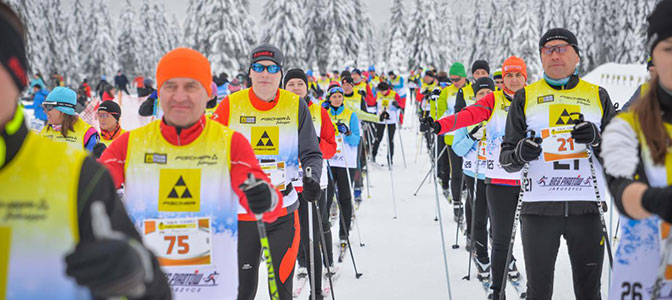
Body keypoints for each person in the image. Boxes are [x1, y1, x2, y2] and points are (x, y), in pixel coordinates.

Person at [0, 4, 170, 298]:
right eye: (43, 108)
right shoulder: (46, 132)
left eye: (50, 109)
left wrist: (135, 277)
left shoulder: (82, 174)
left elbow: (152, 288)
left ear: (15, 76)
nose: (46, 113)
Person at [100, 47, 283, 300]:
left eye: (191, 86)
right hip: (146, 288)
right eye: (170, 86)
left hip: (211, 288)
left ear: (208, 93)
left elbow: (270, 206)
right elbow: (90, 198)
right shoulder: (129, 145)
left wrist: (264, 197)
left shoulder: (230, 144)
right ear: (159, 92)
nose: (179, 96)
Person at [499, 29, 616, 300]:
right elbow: (506, 160)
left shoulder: (598, 95)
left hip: (587, 208)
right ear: (540, 57)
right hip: (539, 209)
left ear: (576, 55)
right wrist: (520, 153)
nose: (554, 54)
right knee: (539, 293)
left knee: (589, 292)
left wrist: (597, 140)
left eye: (561, 48)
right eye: (547, 49)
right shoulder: (525, 97)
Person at [212, 44, 324, 300]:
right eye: (258, 67)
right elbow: (209, 152)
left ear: (280, 74)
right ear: (249, 73)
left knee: (281, 291)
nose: (265, 73)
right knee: (242, 292)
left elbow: (311, 153)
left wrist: (311, 178)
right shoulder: (231, 105)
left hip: (283, 213)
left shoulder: (295, 106)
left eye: (272, 68)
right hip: (241, 216)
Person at [421, 56, 529, 299]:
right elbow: (463, 121)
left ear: (525, 77)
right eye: (508, 75)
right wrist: (441, 126)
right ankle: (485, 262)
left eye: (517, 75)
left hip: (522, 177)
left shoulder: (530, 100)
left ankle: (513, 265)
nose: (512, 80)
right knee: (484, 220)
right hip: (485, 173)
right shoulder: (490, 103)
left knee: (520, 230)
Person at [601, 2, 672, 298]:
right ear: (652, 57)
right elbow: (622, 189)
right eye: (669, 49)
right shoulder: (628, 126)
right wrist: (657, 200)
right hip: (649, 277)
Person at [284, 68, 336, 300]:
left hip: (311, 184)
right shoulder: (278, 112)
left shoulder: (319, 113)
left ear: (307, 88)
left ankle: (317, 289)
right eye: (291, 84)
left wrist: (314, 144)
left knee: (311, 236)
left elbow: (331, 147)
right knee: (288, 238)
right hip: (284, 186)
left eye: (300, 84)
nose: (296, 88)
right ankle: (300, 264)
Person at [450, 76, 495, 279]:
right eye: (480, 93)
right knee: (479, 216)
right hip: (474, 172)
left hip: (498, 173)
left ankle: (503, 255)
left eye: (488, 93)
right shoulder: (466, 116)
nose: (485, 96)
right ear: (475, 96)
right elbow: (457, 149)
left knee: (500, 218)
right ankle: (482, 255)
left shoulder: (502, 113)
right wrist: (471, 136)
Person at [323, 84, 361, 265]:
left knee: (345, 198)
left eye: (339, 96)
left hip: (346, 162)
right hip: (329, 162)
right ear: (329, 98)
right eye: (334, 96)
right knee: (327, 198)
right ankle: (324, 231)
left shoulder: (351, 114)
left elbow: (356, 140)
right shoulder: (324, 113)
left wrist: (348, 132)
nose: (337, 99)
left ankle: (343, 234)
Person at [435, 62, 473, 216]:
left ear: (464, 76)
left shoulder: (473, 90)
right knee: (456, 172)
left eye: (457, 79)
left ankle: (471, 200)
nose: (454, 82)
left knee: (469, 171)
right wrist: (434, 102)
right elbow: (438, 115)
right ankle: (457, 205)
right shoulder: (446, 92)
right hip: (452, 136)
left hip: (471, 136)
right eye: (452, 80)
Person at [39, 87, 99, 152]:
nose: (45, 111)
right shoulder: (45, 131)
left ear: (63, 110)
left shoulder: (88, 134)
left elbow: (94, 161)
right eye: (44, 107)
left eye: (48, 107)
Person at [371, 82, 402, 165]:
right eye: (380, 91)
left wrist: (397, 105)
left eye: (382, 91)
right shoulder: (378, 95)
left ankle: (390, 158)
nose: (381, 92)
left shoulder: (394, 94)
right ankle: (373, 155)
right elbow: (373, 103)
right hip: (381, 120)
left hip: (391, 120)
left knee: (390, 140)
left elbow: (401, 105)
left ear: (386, 89)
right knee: (378, 138)